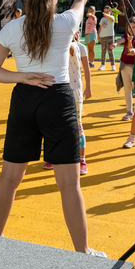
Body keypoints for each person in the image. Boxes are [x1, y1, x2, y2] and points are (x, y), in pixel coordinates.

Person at [0, 0, 104, 256]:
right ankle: (82, 251)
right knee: (69, 184)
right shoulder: (65, 23)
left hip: (25, 99)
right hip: (58, 99)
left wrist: (23, 76)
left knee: (9, 177)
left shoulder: (13, 28)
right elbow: (81, 1)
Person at [47, 30, 92, 173]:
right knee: (57, 125)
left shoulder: (76, 46)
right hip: (58, 91)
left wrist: (89, 87)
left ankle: (82, 159)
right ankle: (55, 156)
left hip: (75, 91)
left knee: (77, 126)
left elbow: (86, 68)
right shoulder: (55, 47)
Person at [113, 17, 135, 120]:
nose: (131, 29)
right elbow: (121, 39)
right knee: (128, 89)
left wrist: (130, 42)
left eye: (133, 27)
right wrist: (115, 43)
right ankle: (129, 111)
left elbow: (132, 50)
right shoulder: (126, 36)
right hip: (125, 65)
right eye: (129, 27)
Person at [98, 5, 117, 70]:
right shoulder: (102, 19)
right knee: (103, 51)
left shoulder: (112, 17)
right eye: (104, 11)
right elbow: (100, 28)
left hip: (110, 36)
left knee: (110, 51)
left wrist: (106, 15)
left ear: (110, 12)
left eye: (107, 11)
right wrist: (98, 35)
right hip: (103, 36)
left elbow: (110, 18)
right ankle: (102, 65)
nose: (106, 13)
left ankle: (113, 65)